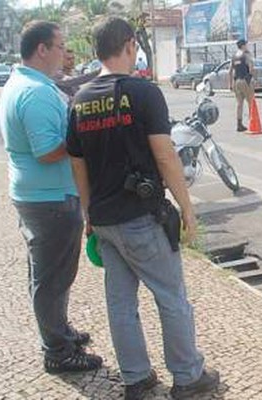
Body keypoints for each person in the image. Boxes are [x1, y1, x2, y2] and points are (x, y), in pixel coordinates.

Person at [66, 17, 220, 400]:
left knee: (121, 304)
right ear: (131, 45)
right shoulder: (142, 92)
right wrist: (187, 207)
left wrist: (88, 215)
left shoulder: (80, 101)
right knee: (171, 298)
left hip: (104, 221)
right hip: (141, 219)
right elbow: (166, 157)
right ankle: (187, 376)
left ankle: (136, 379)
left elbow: (78, 165)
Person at [0, 20, 103, 374]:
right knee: (53, 278)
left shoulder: (25, 83)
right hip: (50, 200)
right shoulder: (36, 93)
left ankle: (59, 331)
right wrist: (84, 141)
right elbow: (48, 151)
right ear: (41, 49)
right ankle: (57, 351)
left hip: (37, 195)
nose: (65, 53)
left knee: (48, 275)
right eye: (60, 46)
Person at [229, 39, 255, 132]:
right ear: (243, 45)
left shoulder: (234, 57)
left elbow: (230, 71)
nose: (247, 46)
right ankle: (252, 123)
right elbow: (251, 68)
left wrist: (230, 84)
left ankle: (239, 124)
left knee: (239, 104)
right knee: (251, 103)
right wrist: (252, 79)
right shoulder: (246, 55)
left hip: (237, 82)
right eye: (246, 44)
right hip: (245, 80)